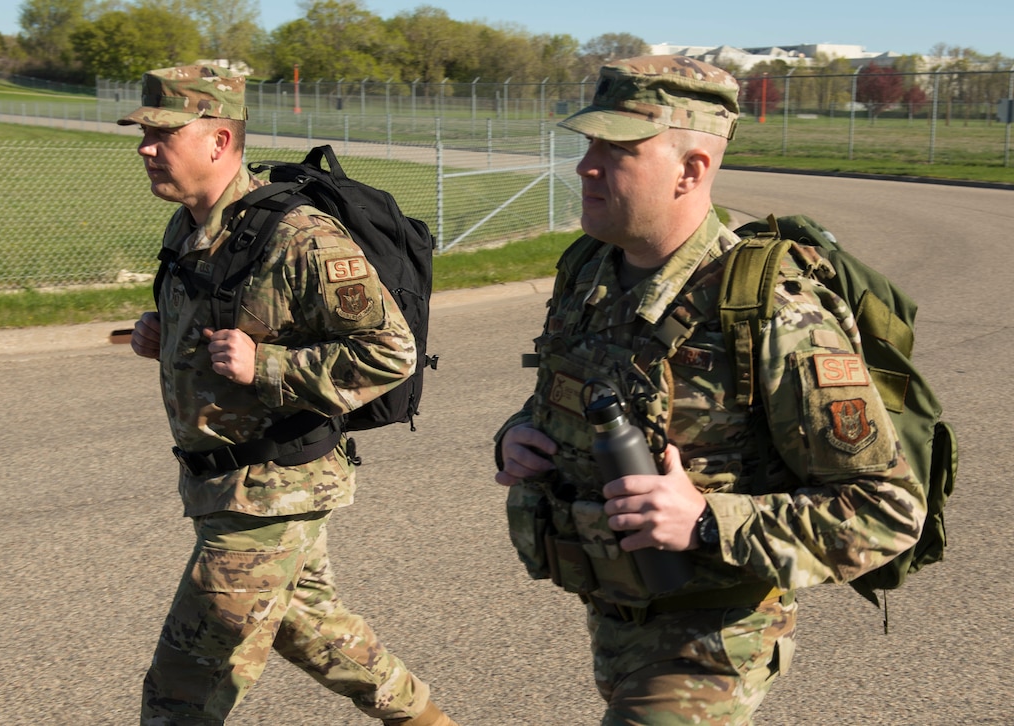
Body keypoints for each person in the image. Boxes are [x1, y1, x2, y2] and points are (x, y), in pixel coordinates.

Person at [494, 55, 926, 725]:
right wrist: (519, 436)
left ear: (691, 170)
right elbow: (578, 393)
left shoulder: (773, 311)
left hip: (710, 645)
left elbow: (889, 508)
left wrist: (703, 519)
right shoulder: (590, 271)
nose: (584, 166)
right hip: (615, 625)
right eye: (588, 145)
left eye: (617, 149)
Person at [120, 64, 457, 726]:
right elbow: (233, 324)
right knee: (316, 633)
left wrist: (267, 368)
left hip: (269, 494)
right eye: (143, 134)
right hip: (224, 490)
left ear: (219, 142)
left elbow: (391, 351)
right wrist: (166, 334)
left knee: (180, 694)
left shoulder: (300, 237)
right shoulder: (189, 228)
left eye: (162, 134)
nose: (144, 148)